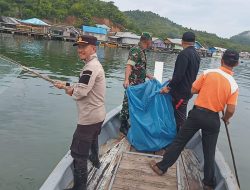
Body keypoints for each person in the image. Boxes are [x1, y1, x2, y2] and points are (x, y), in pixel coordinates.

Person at [150, 49, 240, 189]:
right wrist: (226, 118)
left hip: (197, 114)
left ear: (221, 59)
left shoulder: (208, 73)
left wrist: (204, 89)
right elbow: (230, 109)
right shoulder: (234, 85)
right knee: (209, 152)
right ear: (237, 64)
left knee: (179, 141)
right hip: (213, 119)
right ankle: (209, 183)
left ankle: (161, 167)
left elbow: (193, 90)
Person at [54, 35, 106, 190]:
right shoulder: (93, 64)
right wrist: (65, 85)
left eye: (84, 46)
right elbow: (82, 85)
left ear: (93, 48)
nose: (80, 50)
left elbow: (80, 92)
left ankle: (80, 187)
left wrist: (69, 91)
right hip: (98, 115)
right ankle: (96, 162)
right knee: (92, 139)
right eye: (79, 47)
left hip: (89, 118)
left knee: (78, 154)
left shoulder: (90, 67)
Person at [161, 32, 200, 131]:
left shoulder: (184, 54)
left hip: (181, 93)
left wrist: (168, 87)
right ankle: (178, 140)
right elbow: (188, 73)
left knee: (180, 119)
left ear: (182, 42)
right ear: (194, 42)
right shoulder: (196, 54)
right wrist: (173, 79)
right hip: (188, 90)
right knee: (180, 116)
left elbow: (179, 75)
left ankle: (179, 144)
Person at [119, 32, 154, 135]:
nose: (151, 43)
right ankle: (123, 125)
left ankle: (129, 122)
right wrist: (126, 80)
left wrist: (149, 76)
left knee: (135, 103)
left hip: (139, 84)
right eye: (150, 41)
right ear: (147, 41)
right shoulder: (136, 50)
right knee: (128, 102)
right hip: (133, 84)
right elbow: (129, 65)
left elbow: (140, 68)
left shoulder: (142, 51)